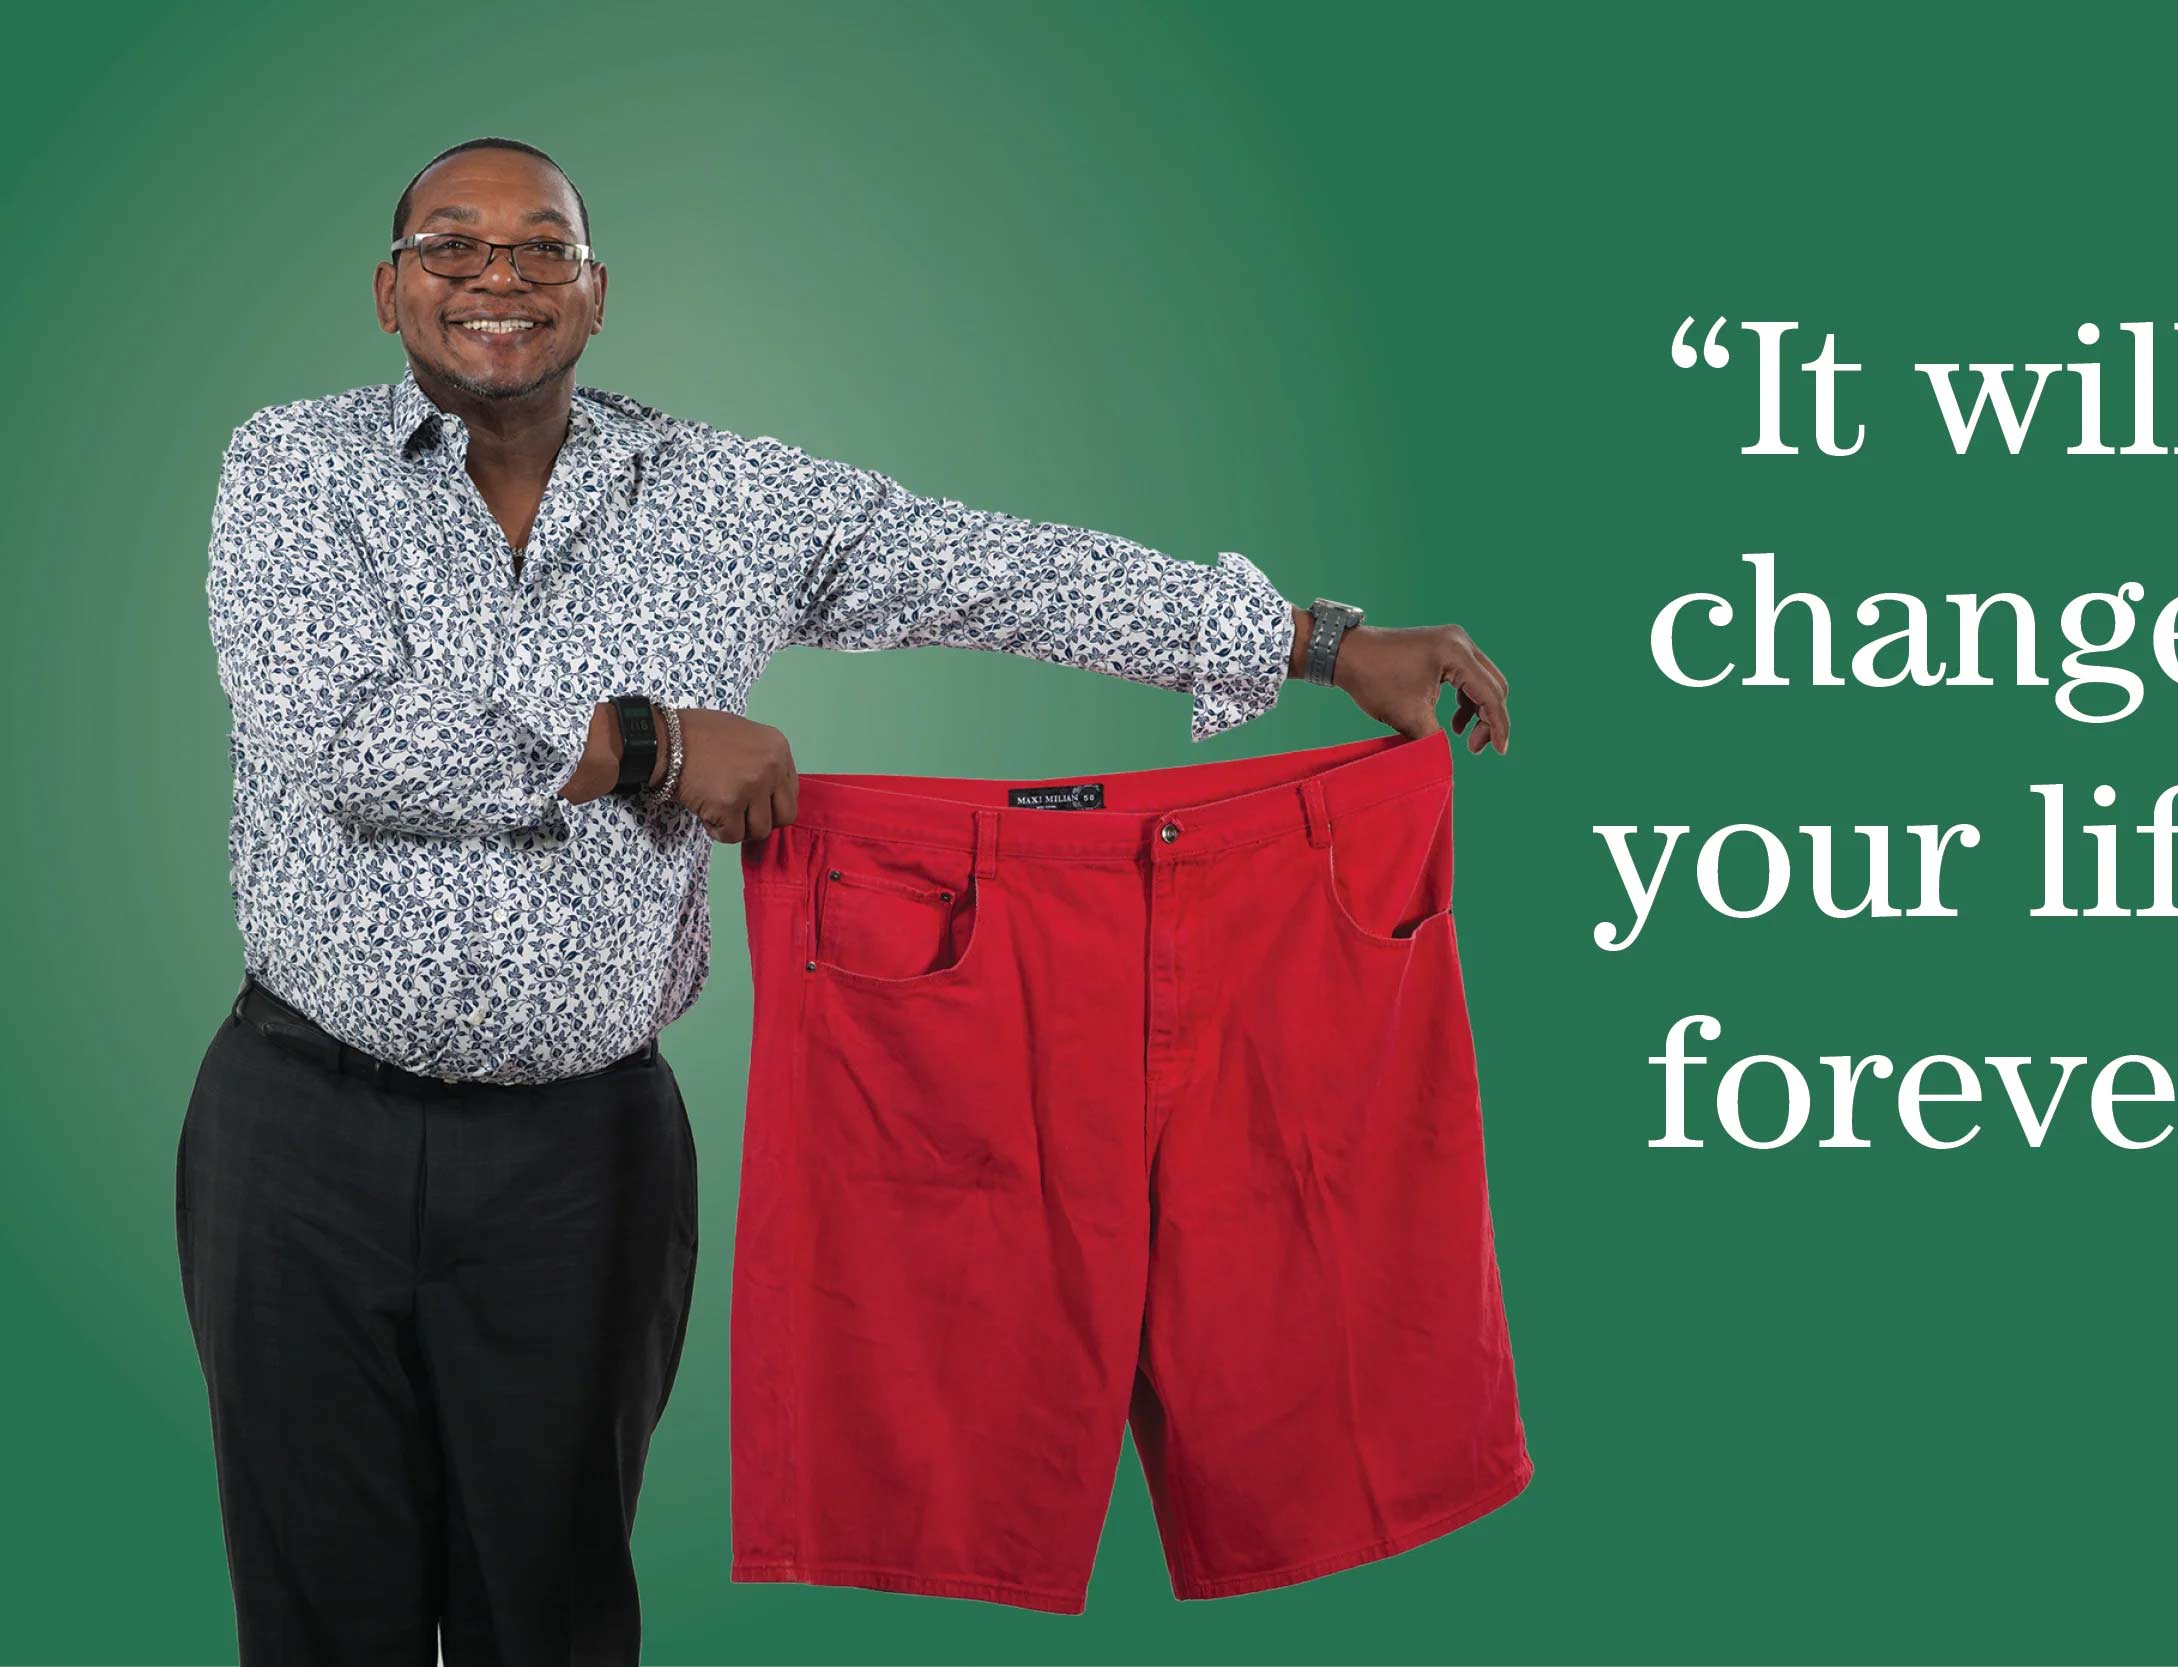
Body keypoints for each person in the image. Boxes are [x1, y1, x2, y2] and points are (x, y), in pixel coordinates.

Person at [174, 134, 1512, 1666]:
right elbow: (341, 738)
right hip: (300, 1128)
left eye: (542, 246)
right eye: (451, 244)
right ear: (387, 289)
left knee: (546, 1608)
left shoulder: (727, 499)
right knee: (311, 1613)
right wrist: (656, 746)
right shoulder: (289, 467)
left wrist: (1320, 641)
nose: (498, 275)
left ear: (596, 294)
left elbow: (996, 572)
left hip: (580, 1156)